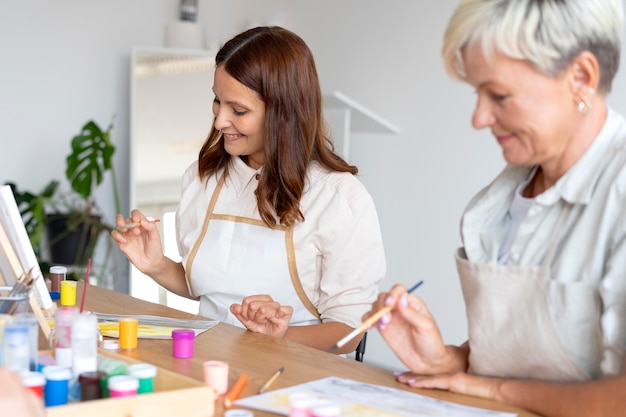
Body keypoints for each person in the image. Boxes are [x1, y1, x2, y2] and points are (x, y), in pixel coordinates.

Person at [364, 0, 626, 415]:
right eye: (477, 93)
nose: (479, 117)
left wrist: (495, 391)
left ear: (581, 76)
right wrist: (449, 361)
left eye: (499, 95)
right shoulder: (508, 192)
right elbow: (538, 352)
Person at [112, 26, 385, 354]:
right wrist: (155, 265)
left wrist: (278, 338)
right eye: (217, 101)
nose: (219, 121)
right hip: (208, 361)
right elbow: (207, 291)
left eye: (238, 110)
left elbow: (349, 331)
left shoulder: (339, 198)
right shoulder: (203, 179)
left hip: (294, 379)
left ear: (284, 113)